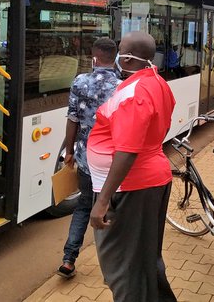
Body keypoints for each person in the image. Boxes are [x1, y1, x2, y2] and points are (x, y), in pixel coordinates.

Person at [87, 31, 177, 302]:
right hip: (147, 181)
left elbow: (127, 151)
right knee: (144, 260)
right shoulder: (156, 82)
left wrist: (102, 201)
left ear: (125, 58)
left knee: (124, 268)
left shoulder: (134, 94)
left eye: (119, 50)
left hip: (131, 188)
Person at [57, 38, 120, 279]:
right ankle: (113, 266)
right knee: (109, 209)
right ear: (114, 57)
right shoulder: (122, 86)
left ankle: (69, 259)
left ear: (94, 57)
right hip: (113, 162)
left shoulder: (80, 82)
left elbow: (73, 118)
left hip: (85, 158)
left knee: (84, 206)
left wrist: (70, 151)